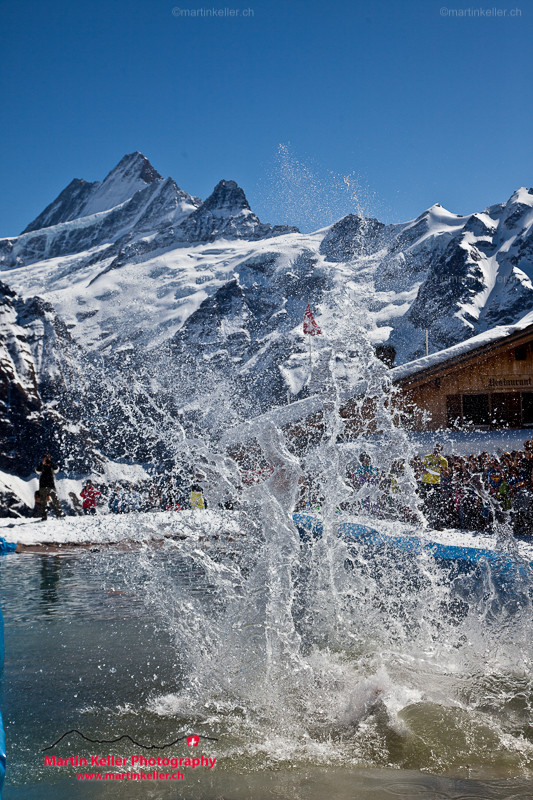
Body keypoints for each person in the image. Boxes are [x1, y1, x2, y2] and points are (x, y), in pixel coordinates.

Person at [421, 443, 448, 529]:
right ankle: (424, 522)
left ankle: (437, 524)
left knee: (437, 504)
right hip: (425, 482)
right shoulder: (427, 457)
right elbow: (420, 468)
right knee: (425, 503)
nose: (437, 449)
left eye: (439, 448)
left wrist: (443, 469)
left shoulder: (443, 460)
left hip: (436, 484)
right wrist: (423, 471)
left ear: (441, 450)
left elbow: (447, 474)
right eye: (436, 448)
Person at [35, 453, 64, 521]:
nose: (46, 460)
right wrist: (42, 464)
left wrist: (51, 463)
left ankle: (59, 514)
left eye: (47, 458)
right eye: (45, 458)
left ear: (50, 458)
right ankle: (44, 516)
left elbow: (56, 469)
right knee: (43, 502)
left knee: (56, 500)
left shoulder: (51, 466)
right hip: (43, 486)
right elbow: (37, 471)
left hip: (51, 486)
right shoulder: (41, 466)